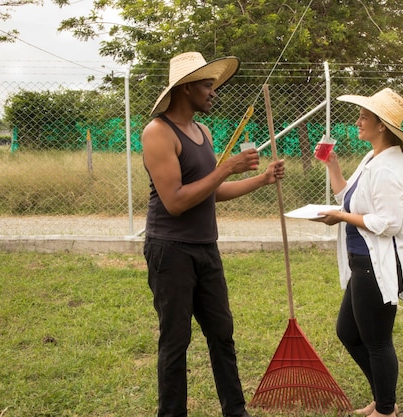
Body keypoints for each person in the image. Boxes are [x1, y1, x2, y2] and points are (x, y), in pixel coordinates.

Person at [141, 51, 285, 417]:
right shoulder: (158, 132)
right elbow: (175, 202)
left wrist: (261, 178)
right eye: (208, 84)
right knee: (176, 342)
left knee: (222, 335)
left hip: (206, 249)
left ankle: (235, 411)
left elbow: (211, 190)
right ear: (186, 88)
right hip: (170, 250)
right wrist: (228, 168)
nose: (213, 91)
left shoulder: (201, 132)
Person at [313, 88, 403, 417]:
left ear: (382, 126)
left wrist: (341, 217)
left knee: (377, 341)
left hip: (377, 266)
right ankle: (384, 397)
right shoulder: (373, 158)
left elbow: (388, 223)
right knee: (348, 332)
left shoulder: (387, 168)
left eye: (364, 117)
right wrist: (333, 165)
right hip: (363, 264)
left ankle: (385, 410)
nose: (357, 122)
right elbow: (348, 197)